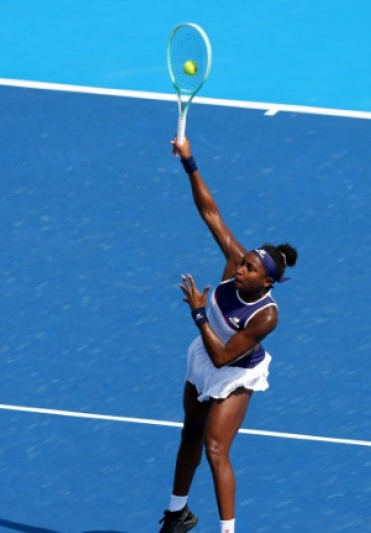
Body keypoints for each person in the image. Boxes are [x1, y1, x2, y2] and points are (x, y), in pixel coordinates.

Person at [159, 138, 298, 533]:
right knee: (190, 432)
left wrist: (201, 314)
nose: (240, 269)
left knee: (216, 448)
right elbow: (209, 212)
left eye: (250, 268)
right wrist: (189, 161)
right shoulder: (235, 261)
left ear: (267, 280)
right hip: (205, 357)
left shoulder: (266, 316)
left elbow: (224, 358)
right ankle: (176, 514)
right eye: (244, 262)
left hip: (234, 372)